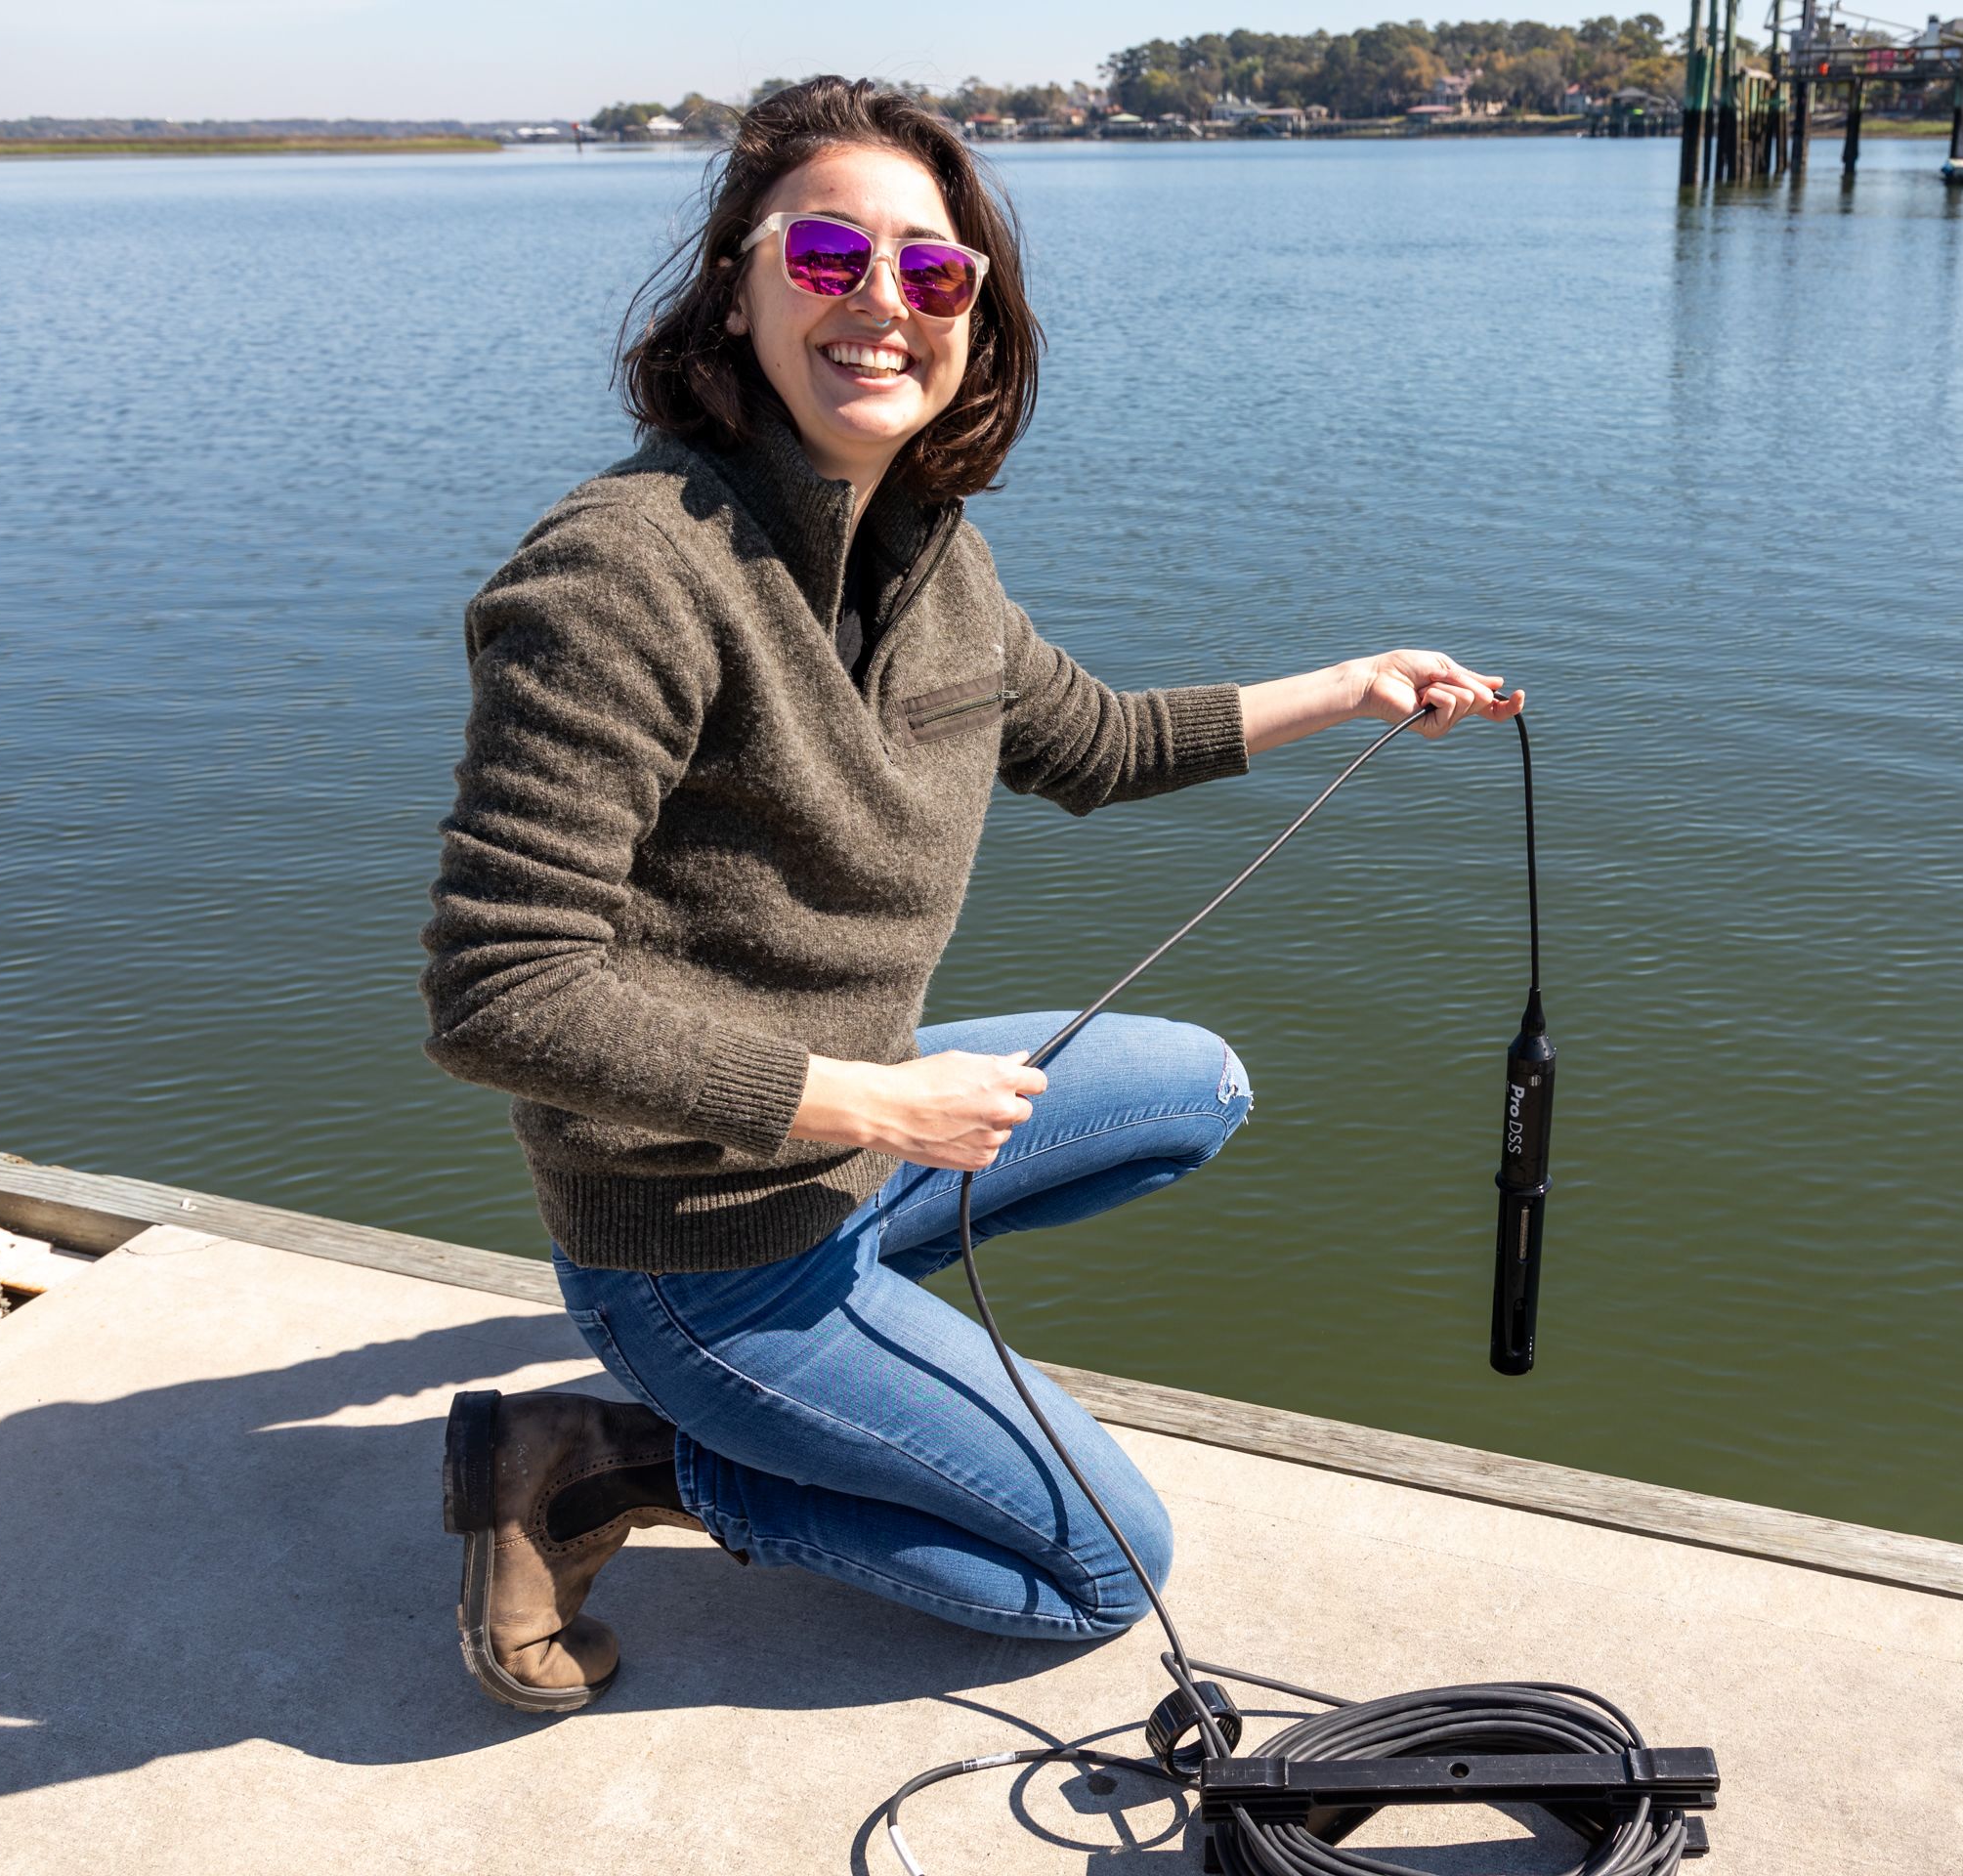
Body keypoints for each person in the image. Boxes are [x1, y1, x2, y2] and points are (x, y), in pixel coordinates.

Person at [419, 77, 1522, 1713]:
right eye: (829, 255)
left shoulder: (926, 550)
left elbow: (1091, 741)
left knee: (1193, 1086)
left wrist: (1355, 684)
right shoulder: (623, 576)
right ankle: (606, 1459)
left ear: (975, 311)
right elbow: (497, 991)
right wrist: (864, 1097)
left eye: (934, 273)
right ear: (736, 282)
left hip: (851, 1149)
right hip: (695, 1238)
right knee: (1099, 1569)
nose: (884, 302)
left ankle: (843, 1346)